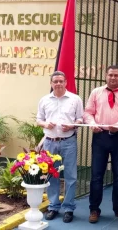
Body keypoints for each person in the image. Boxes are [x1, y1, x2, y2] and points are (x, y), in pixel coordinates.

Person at [83, 65, 118, 224]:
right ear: (106, 76)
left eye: (116, 75)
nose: (113, 78)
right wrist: (92, 123)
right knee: (96, 175)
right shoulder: (96, 92)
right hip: (100, 136)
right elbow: (88, 112)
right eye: (110, 75)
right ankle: (94, 209)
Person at [36, 70, 84, 223]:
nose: (58, 84)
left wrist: (72, 126)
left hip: (68, 142)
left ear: (65, 83)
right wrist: (45, 124)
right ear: (51, 83)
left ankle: (69, 208)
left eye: (60, 81)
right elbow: (39, 119)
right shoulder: (44, 100)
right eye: (55, 81)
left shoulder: (75, 99)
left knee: (70, 175)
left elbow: (80, 119)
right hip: (49, 142)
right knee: (51, 175)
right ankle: (53, 206)